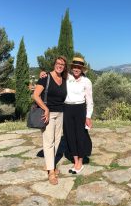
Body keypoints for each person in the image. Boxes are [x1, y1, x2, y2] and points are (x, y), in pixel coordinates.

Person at [40, 56, 93, 174]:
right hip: (67, 109)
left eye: (79, 67)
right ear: (71, 67)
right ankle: (75, 161)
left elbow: (90, 100)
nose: (76, 69)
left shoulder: (87, 81)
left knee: (80, 136)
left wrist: (88, 116)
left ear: (82, 69)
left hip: (80, 109)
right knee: (69, 136)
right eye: (74, 67)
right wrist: (44, 73)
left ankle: (80, 162)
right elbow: (54, 75)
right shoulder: (67, 77)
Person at [33, 56, 67, 185]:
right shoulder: (45, 77)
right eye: (58, 63)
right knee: (49, 142)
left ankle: (49, 164)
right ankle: (51, 172)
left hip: (60, 113)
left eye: (62, 64)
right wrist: (45, 109)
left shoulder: (64, 79)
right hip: (48, 114)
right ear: (54, 64)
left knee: (57, 140)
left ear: (64, 67)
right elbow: (35, 95)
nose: (60, 66)